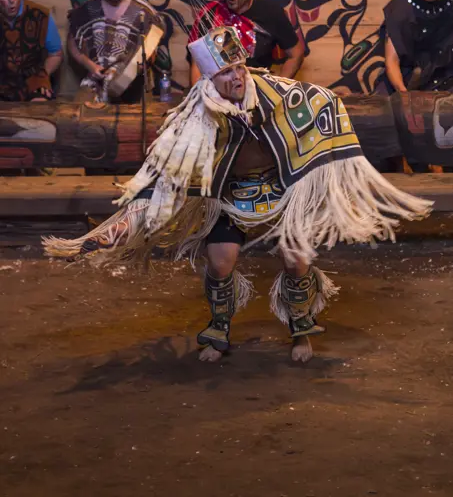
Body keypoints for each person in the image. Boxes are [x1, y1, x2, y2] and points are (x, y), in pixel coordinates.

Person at [44, 26, 431, 364]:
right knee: (220, 262)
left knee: (298, 260)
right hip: (229, 199)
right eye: (226, 72)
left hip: (282, 194)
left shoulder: (276, 95)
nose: (237, 77)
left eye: (239, 68)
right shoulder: (194, 121)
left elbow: (320, 102)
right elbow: (160, 183)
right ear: (209, 78)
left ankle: (300, 327)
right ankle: (219, 327)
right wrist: (112, 232)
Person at [67, 0, 163, 103]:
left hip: (134, 86)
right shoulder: (89, 9)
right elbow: (73, 41)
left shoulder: (143, 11)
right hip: (96, 84)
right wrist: (90, 65)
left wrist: (133, 70)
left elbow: (152, 48)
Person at [188, 0, 304, 85]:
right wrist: (200, 96)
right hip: (217, 93)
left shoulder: (272, 14)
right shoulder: (211, 14)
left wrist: (279, 88)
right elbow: (196, 61)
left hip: (258, 90)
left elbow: (296, 54)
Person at [384, 0, 453, 93]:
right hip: (409, 80)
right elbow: (392, 60)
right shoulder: (401, 8)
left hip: (448, 77)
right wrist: (403, 94)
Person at [0, 0, 63, 101]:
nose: (11, 0)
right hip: (3, 81)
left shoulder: (40, 15)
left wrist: (42, 76)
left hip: (34, 79)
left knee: (39, 107)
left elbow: (56, 54)